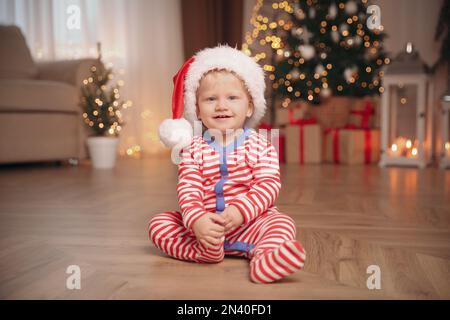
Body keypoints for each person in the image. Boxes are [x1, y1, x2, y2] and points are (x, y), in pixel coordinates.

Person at [148, 45, 306, 284]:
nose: (221, 106)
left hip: (250, 224)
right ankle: (205, 252)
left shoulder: (261, 145)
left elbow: (268, 186)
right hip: (204, 231)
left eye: (232, 98)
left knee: (282, 223)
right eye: (211, 99)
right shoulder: (192, 149)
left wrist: (240, 212)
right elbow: (188, 191)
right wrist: (198, 221)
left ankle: (265, 259)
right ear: (197, 109)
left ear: (250, 106)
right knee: (159, 224)